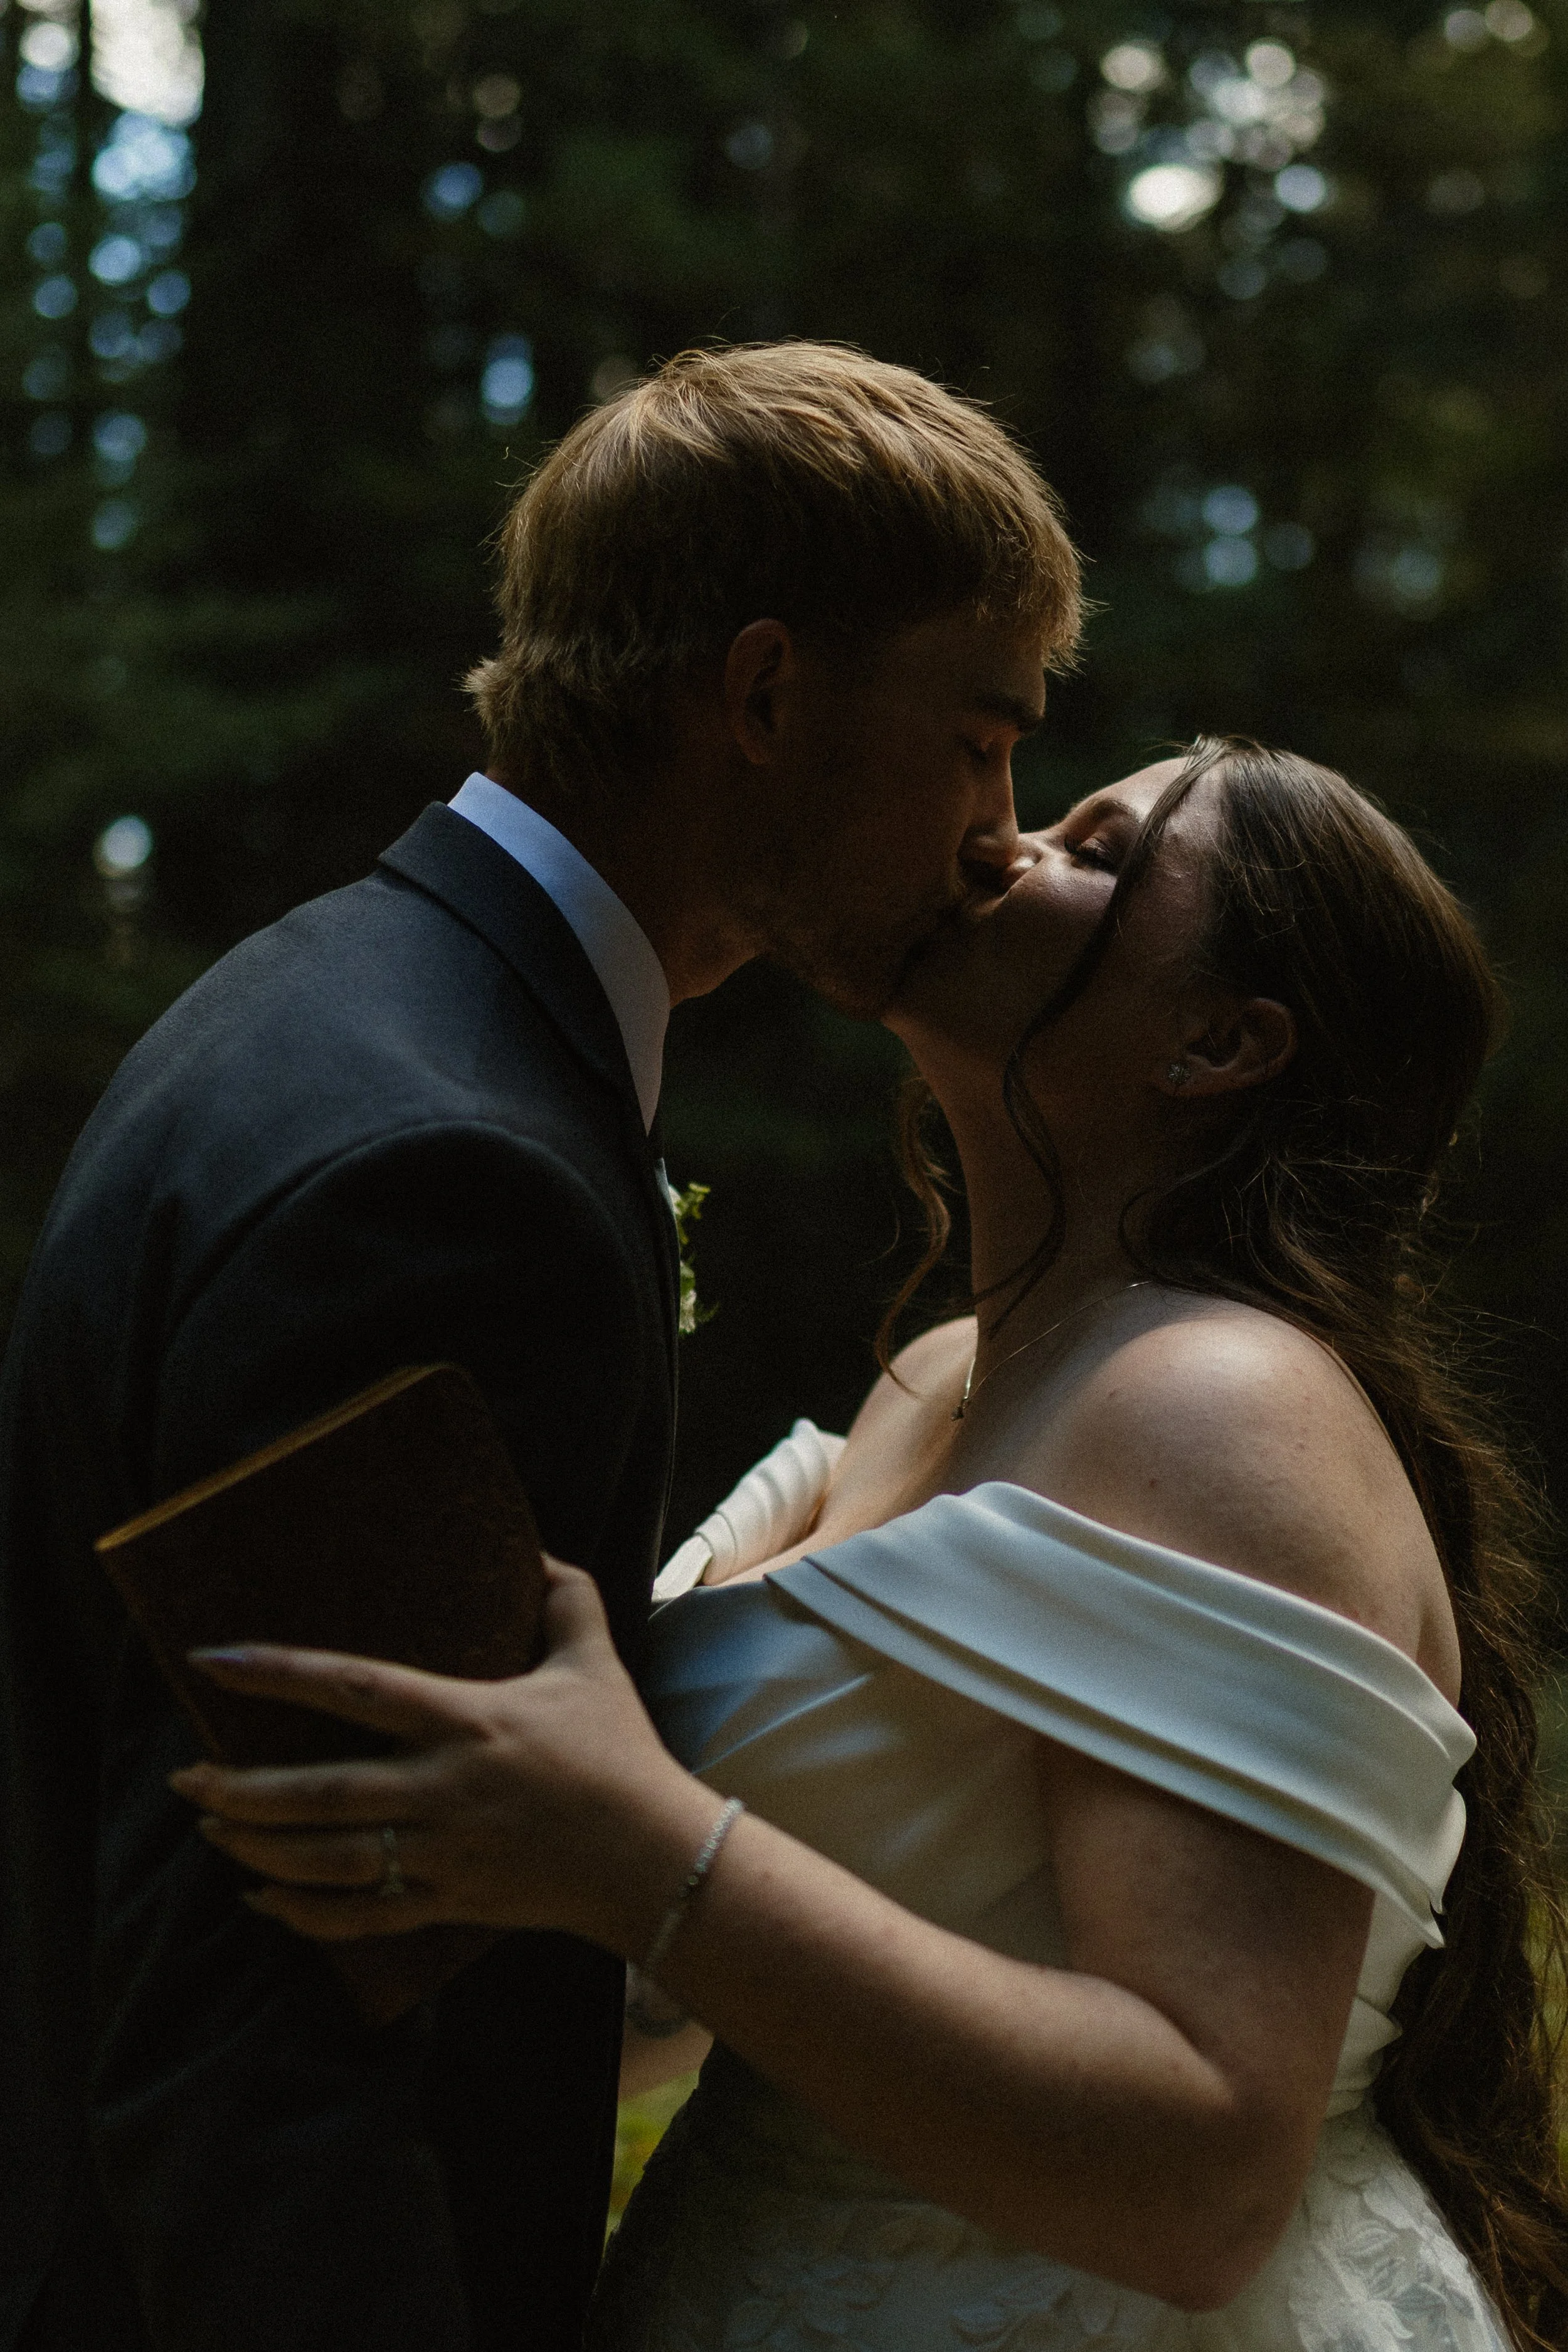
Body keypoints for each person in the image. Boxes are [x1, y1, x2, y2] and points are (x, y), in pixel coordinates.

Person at [177, 741, 1568, 2351]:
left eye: (1095, 847)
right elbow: (787, 1955)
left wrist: (630, 1852)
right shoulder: (932, 1384)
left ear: (1217, 1041)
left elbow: (1202, 2182)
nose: (996, 845)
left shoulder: (1214, 1406)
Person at [0, 342, 1081, 2352]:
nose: (997, 835)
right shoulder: (442, 1165)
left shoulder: (345, 992)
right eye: (980, 737)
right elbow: (273, 2001)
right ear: (762, 695)